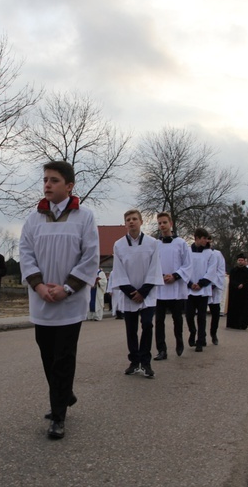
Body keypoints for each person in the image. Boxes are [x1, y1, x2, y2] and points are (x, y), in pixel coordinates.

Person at [20, 160, 99, 440]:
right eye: (45, 180)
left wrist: (66, 288)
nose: (47, 185)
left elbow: (90, 258)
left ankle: (58, 415)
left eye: (54, 180)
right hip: (42, 299)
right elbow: (26, 254)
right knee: (47, 353)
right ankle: (64, 394)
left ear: (69, 186)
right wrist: (39, 286)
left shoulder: (84, 217)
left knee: (63, 357)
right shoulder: (33, 219)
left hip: (69, 301)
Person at [110, 209, 164, 377]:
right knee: (131, 328)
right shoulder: (118, 245)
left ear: (141, 222)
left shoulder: (152, 243)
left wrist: (143, 292)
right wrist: (131, 292)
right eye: (128, 219)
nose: (131, 222)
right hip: (129, 293)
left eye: (134, 219)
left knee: (147, 324)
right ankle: (134, 361)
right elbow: (118, 271)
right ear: (125, 223)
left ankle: (146, 362)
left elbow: (154, 268)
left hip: (147, 293)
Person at [153, 212, 192, 359]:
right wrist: (160, 276)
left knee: (177, 319)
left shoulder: (181, 243)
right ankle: (161, 349)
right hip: (161, 288)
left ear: (171, 224)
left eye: (164, 222)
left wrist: (175, 276)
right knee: (159, 321)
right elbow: (153, 264)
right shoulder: (155, 244)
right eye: (159, 223)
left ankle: (179, 341)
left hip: (176, 288)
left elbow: (188, 265)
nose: (162, 225)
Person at [184, 228, 218, 352]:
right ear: (197, 238)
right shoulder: (187, 251)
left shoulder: (210, 254)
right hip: (190, 289)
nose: (206, 241)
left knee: (201, 316)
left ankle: (200, 340)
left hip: (203, 290)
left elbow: (211, 271)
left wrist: (201, 284)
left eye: (206, 238)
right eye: (203, 238)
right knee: (189, 315)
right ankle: (192, 331)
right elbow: (183, 268)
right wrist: (190, 283)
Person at [206, 237, 226, 345]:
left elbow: (221, 270)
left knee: (215, 312)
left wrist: (213, 283)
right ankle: (200, 335)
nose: (207, 242)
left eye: (209, 239)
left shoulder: (217, 254)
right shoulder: (197, 253)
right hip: (201, 287)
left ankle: (213, 333)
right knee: (199, 313)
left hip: (214, 287)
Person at [225, 253, 248, 329]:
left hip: (244, 294)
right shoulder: (233, 270)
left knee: (243, 309)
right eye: (239, 260)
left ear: (244, 261)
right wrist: (236, 285)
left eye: (242, 260)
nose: (240, 261)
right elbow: (232, 281)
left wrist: (243, 285)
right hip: (235, 293)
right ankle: (233, 324)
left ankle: (243, 324)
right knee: (234, 308)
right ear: (237, 261)